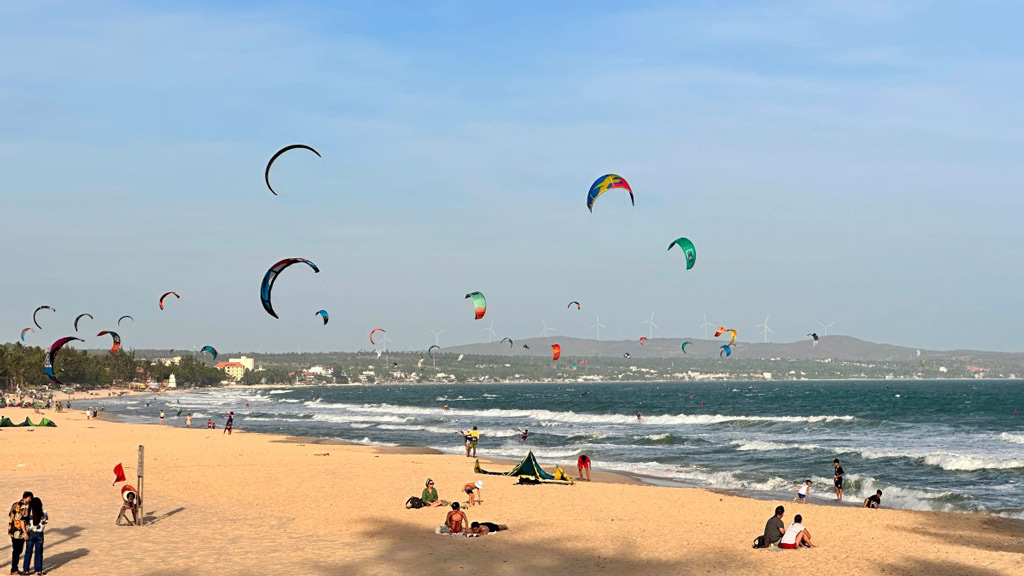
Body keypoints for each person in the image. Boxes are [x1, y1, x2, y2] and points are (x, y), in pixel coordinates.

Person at [8, 491, 33, 574]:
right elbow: (22, 521)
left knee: (15, 550)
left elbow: (10, 515)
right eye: (29, 498)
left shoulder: (15, 504)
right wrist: (25, 533)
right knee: (18, 551)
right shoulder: (24, 507)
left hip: (12, 530)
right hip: (19, 533)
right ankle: (14, 569)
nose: (30, 500)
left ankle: (14, 568)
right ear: (25, 498)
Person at [22, 497, 47, 575]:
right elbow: (45, 522)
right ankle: (38, 570)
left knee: (28, 552)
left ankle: (26, 570)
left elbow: (24, 521)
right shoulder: (44, 513)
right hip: (40, 534)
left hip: (30, 533)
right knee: (39, 553)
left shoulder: (29, 512)